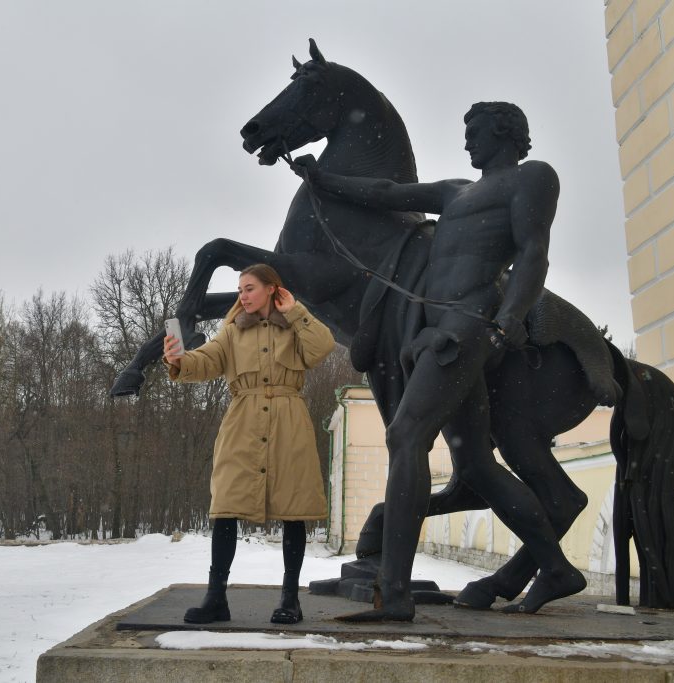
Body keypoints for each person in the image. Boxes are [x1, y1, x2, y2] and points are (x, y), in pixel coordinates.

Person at [291, 101, 586, 619]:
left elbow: (534, 251)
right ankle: (556, 568)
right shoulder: (455, 192)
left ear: (505, 132)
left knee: (406, 436)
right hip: (435, 330)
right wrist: (322, 177)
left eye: (474, 131)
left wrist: (508, 319)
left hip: (469, 326)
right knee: (473, 462)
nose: (467, 141)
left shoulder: (532, 179)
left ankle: (395, 594)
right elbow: (385, 194)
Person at [163, 263, 336, 624]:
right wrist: (179, 359)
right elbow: (206, 361)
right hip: (242, 423)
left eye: (250, 288)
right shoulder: (232, 332)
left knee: (294, 511)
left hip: (290, 423)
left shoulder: (296, 326)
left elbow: (323, 347)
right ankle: (216, 599)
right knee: (225, 507)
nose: (242, 295)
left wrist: (297, 313)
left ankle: (290, 600)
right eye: (240, 288)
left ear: (273, 289)